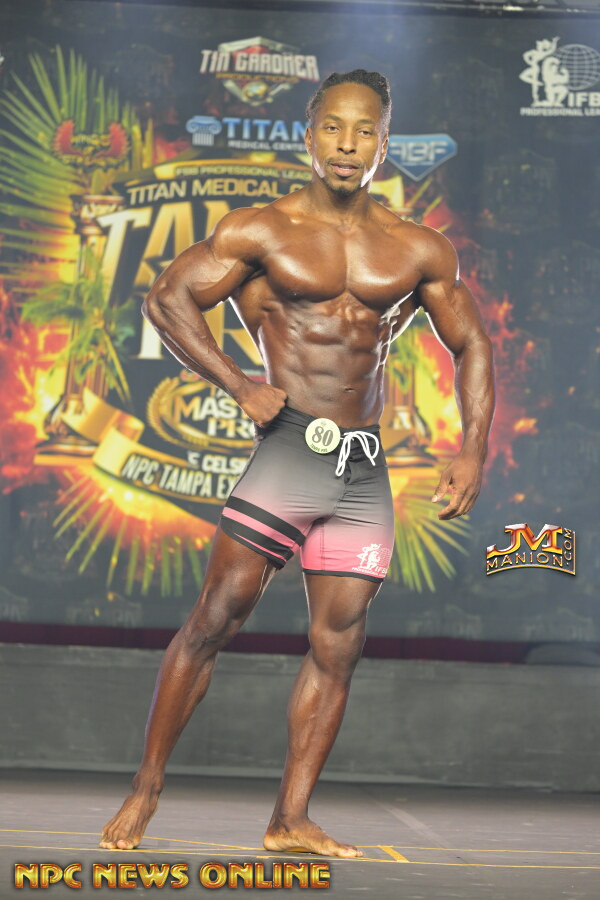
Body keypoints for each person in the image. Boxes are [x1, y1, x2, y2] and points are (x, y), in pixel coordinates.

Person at [100, 69, 495, 858]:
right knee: (216, 618)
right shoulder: (262, 232)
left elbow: (472, 342)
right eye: (334, 128)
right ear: (309, 136)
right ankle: (146, 787)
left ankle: (290, 818)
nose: (348, 145)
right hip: (289, 448)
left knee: (337, 645)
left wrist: (473, 448)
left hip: (363, 467)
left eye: (365, 131)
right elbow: (168, 298)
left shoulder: (417, 247)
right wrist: (238, 383)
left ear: (383, 142)